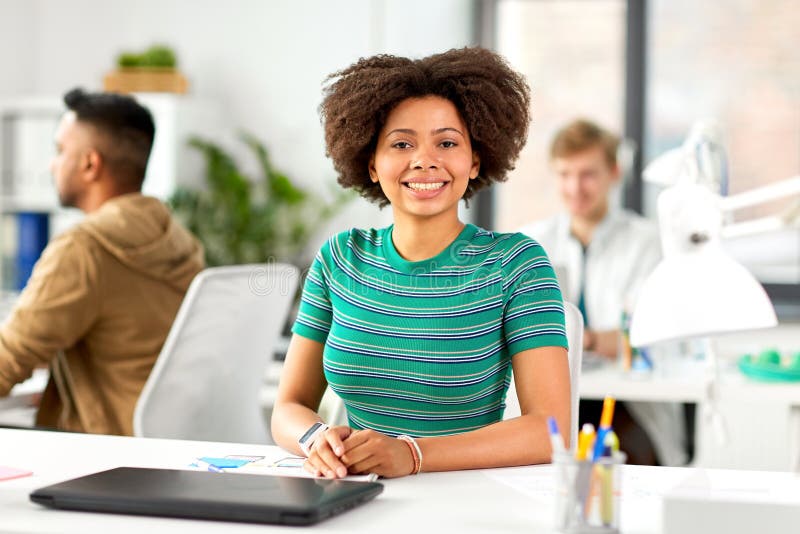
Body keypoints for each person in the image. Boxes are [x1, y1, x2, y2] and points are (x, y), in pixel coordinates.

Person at [272, 48, 570, 480]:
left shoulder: (517, 265)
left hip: (466, 496)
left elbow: (551, 430)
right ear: (372, 163)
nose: (424, 159)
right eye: (401, 143)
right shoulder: (339, 258)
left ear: (475, 161)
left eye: (446, 143)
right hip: (354, 491)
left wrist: (412, 455)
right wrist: (315, 439)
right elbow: (288, 407)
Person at [0, 88, 204, 436]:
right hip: (165, 450)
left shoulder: (84, 249)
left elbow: (9, 359)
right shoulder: (178, 240)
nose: (52, 163)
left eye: (60, 150)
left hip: (100, 456)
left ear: (90, 164)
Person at [518, 119, 687, 466]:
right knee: (534, 456)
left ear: (614, 172)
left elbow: (647, 335)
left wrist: (587, 339)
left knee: (609, 461)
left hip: (625, 404)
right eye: (565, 174)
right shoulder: (532, 241)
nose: (575, 187)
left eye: (587, 174)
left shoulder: (646, 243)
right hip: (552, 398)